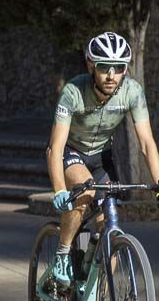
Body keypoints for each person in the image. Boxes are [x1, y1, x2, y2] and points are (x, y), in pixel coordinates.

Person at [46, 31, 159, 284]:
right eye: (103, 66)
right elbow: (55, 146)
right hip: (71, 151)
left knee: (109, 229)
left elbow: (146, 142)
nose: (111, 75)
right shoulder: (73, 91)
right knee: (85, 192)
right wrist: (59, 189)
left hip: (102, 157)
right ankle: (62, 253)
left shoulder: (132, 91)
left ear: (125, 69)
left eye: (118, 68)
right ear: (90, 66)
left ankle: (97, 300)